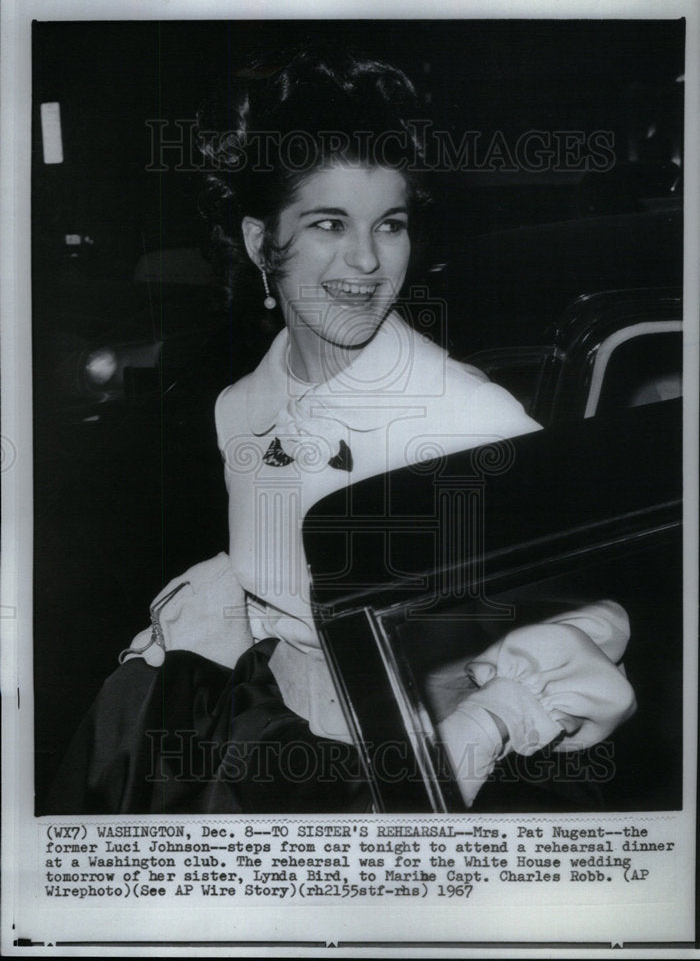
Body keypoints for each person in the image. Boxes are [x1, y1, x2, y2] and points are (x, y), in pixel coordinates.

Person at [47, 48, 635, 814]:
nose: (366, 260)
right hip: (260, 743)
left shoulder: (470, 418)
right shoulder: (239, 408)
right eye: (330, 223)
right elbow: (271, 595)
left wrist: (492, 720)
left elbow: (604, 608)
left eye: (389, 225)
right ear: (263, 244)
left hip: (405, 778)